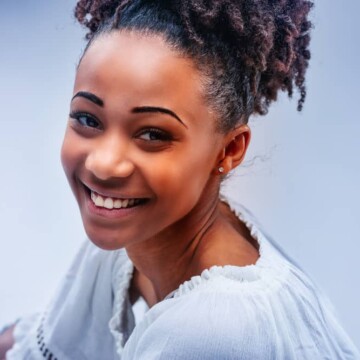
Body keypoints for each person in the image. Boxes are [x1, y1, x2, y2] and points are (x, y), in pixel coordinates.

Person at [1, 0, 359, 359]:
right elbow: (36, 346)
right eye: (88, 120)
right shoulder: (135, 233)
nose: (105, 165)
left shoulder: (214, 328)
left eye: (153, 135)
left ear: (229, 149)